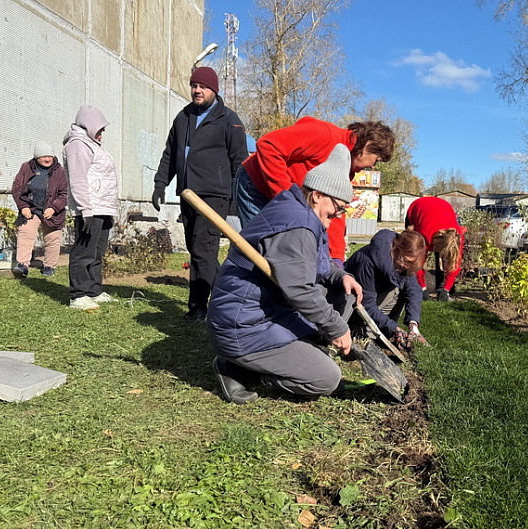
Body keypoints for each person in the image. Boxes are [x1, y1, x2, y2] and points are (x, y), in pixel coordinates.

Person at [207, 144, 364, 404]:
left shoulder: (304, 214)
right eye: (338, 207)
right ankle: (238, 367)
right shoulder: (297, 225)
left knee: (343, 292)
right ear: (317, 196)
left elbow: (320, 266)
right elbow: (301, 290)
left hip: (267, 309)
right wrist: (338, 328)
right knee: (327, 378)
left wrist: (341, 276)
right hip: (242, 324)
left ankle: (273, 357)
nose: (338, 215)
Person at [151, 66, 248, 322]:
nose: (197, 90)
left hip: (213, 196)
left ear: (213, 90)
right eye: (194, 85)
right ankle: (229, 297)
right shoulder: (183, 117)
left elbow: (240, 162)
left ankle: (198, 308)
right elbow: (170, 154)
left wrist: (237, 200)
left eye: (202, 86)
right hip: (187, 194)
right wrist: (160, 184)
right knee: (197, 250)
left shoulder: (229, 120)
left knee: (204, 250)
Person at [234, 116, 395, 265]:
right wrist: (287, 198)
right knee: (261, 255)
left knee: (284, 256)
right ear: (367, 147)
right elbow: (268, 145)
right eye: (376, 160)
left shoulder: (346, 168)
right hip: (255, 185)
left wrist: (336, 258)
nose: (373, 166)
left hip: (283, 201)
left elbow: (334, 211)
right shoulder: (325, 135)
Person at [62, 105, 119, 310]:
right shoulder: (78, 144)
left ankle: (93, 290)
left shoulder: (92, 144)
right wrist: (85, 210)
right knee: (84, 251)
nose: (102, 134)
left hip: (102, 208)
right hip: (90, 209)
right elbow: (78, 179)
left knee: (97, 251)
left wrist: (110, 210)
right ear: (89, 125)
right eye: (100, 129)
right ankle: (78, 295)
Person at [344, 229, 428, 350]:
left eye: (411, 263)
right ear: (396, 248)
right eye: (406, 261)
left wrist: (413, 324)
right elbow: (367, 303)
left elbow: (414, 289)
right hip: (350, 306)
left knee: (401, 289)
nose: (406, 266)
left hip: (374, 300)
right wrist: (393, 327)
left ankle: (382, 332)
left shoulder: (401, 263)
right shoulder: (368, 262)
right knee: (396, 290)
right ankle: (358, 330)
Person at [10, 141, 68, 277]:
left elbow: (65, 194)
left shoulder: (59, 171)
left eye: (49, 156)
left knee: (52, 238)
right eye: (43, 157)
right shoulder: (26, 167)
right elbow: (17, 188)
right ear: (36, 158)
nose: (47, 159)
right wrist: (23, 207)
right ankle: (23, 264)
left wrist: (53, 208)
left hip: (52, 210)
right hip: (31, 208)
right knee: (25, 233)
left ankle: (49, 266)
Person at [405, 196, 465, 302]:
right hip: (418, 207)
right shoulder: (424, 236)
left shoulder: (457, 237)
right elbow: (415, 262)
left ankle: (441, 290)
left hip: (442, 208)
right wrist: (422, 289)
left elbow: (456, 263)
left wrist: (446, 289)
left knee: (444, 257)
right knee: (409, 252)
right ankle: (409, 286)